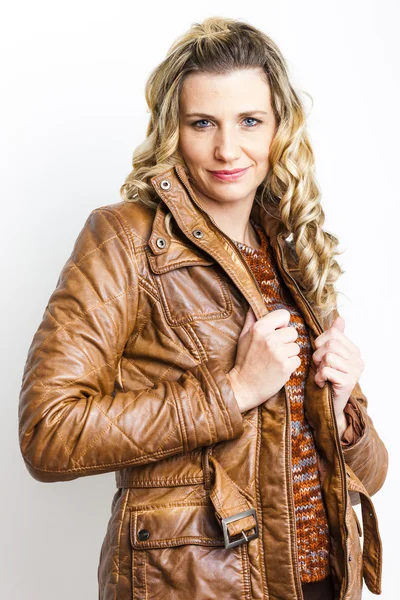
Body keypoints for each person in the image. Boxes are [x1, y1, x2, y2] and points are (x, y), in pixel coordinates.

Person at [18, 16, 388, 600]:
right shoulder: (125, 240)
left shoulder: (289, 253)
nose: (227, 149)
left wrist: (343, 411)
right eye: (202, 123)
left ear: (278, 131)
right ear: (173, 130)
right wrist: (234, 390)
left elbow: (374, 475)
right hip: (200, 587)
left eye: (249, 121)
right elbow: (48, 430)